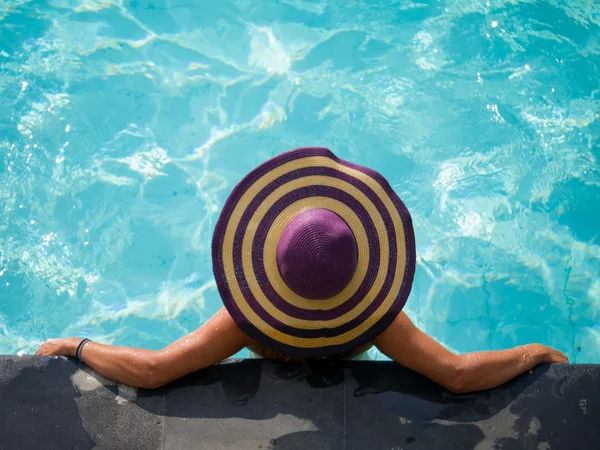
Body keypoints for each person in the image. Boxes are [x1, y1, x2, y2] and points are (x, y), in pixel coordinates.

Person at [35, 147, 568, 392]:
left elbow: (153, 371)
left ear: (270, 259)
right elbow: (457, 374)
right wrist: (535, 353)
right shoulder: (377, 321)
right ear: (361, 261)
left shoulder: (247, 322)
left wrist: (76, 345)